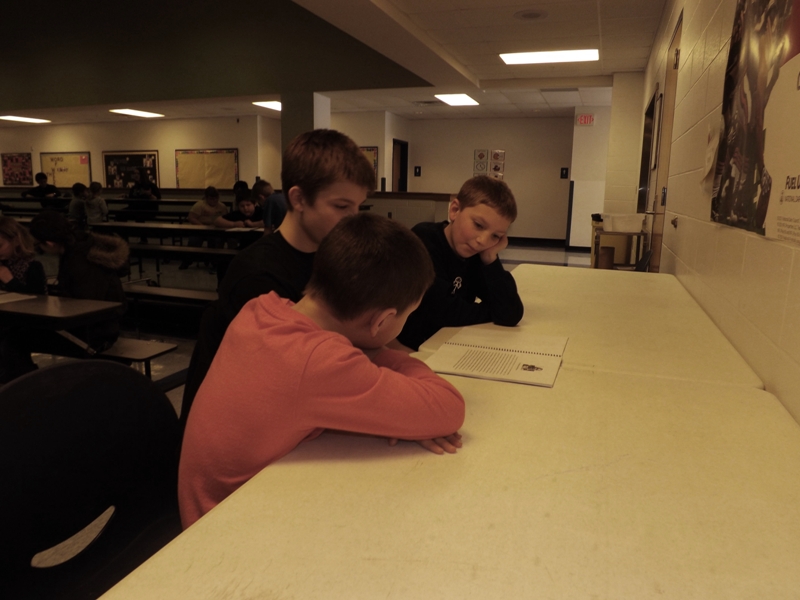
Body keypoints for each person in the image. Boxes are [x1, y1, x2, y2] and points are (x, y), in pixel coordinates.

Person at [179, 212, 465, 528]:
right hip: (226, 532)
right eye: (406, 316)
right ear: (381, 321)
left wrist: (392, 411)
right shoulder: (320, 362)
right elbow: (448, 407)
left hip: (206, 510)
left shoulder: (262, 308)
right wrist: (386, 362)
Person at [181, 129, 377, 431]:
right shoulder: (258, 276)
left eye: (358, 207)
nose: (353, 219)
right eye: (341, 207)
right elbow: (290, 382)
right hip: (250, 428)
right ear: (299, 199)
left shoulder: (333, 256)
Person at [395, 175, 524, 351]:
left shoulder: (477, 254)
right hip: (409, 348)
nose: (483, 241)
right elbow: (443, 312)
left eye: (496, 236)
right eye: (478, 225)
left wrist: (490, 258)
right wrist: (492, 312)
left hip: (448, 344)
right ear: (455, 210)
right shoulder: (423, 241)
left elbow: (511, 313)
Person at [0, 211, 129, 383]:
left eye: (39, 245)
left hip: (95, 333)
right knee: (15, 335)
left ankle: (27, 386)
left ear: (50, 243)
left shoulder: (80, 262)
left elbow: (83, 307)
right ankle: (25, 383)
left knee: (15, 339)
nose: (39, 250)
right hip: (93, 325)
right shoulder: (79, 248)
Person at [180, 186, 229, 270]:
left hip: (215, 229)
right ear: (206, 198)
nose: (214, 201)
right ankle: (187, 260)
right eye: (211, 199)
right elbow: (191, 218)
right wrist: (202, 226)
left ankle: (215, 262)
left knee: (217, 240)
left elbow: (226, 219)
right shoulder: (200, 205)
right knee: (194, 241)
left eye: (216, 198)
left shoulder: (222, 206)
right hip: (201, 228)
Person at [0, 216, 47, 294]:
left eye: (0, 246)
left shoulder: (32, 266)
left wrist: (10, 281)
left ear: (16, 241)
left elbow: (39, 299)